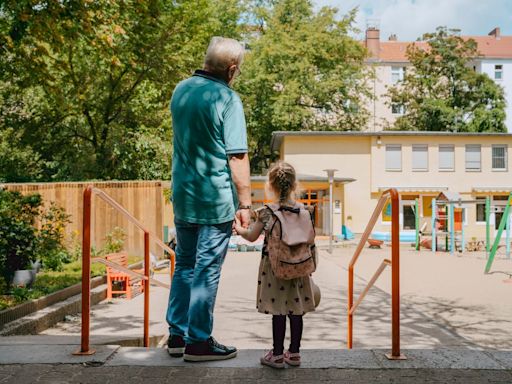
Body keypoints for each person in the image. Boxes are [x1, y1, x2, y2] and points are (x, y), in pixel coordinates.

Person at [166, 36, 252, 362]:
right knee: (206, 269)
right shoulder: (227, 99)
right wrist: (244, 205)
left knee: (184, 265)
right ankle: (198, 342)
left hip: (183, 196)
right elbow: (237, 157)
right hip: (213, 200)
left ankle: (177, 335)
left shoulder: (181, 90)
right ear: (231, 69)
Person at [234, 161, 317, 369]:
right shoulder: (304, 210)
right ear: (294, 184)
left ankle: (277, 354)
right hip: (299, 268)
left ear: (271, 185)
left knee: (279, 310)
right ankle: (295, 352)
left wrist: (239, 229)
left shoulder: (267, 211)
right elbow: (310, 242)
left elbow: (252, 236)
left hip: (275, 269)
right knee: (296, 310)